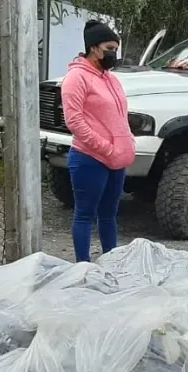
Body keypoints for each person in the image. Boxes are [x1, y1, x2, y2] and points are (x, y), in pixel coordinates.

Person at [60, 20, 136, 262]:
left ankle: (110, 264)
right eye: (109, 48)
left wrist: (127, 142)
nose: (114, 54)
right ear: (94, 48)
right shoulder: (76, 78)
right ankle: (83, 267)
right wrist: (105, 147)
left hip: (116, 159)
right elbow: (75, 122)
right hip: (89, 158)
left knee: (109, 215)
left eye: (116, 49)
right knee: (85, 214)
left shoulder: (111, 79)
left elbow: (121, 115)